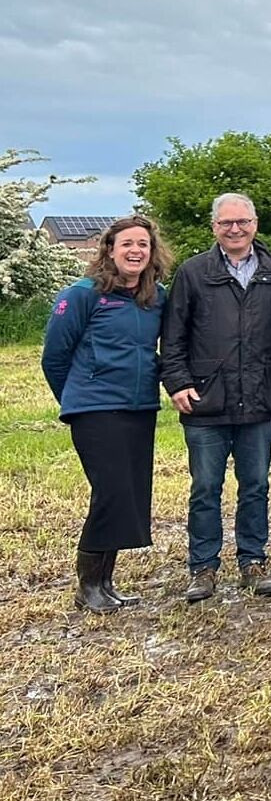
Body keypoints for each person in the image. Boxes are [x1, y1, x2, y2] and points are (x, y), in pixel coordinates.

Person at [161, 192, 271, 602]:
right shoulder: (193, 272)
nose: (235, 229)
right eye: (226, 223)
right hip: (206, 399)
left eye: (242, 222)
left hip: (258, 396)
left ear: (255, 224)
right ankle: (203, 568)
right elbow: (173, 336)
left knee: (255, 485)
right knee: (205, 487)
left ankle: (253, 561)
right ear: (214, 227)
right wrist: (177, 382)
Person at [42, 214, 171, 612]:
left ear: (152, 252)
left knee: (126, 495)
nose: (135, 250)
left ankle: (106, 583)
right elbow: (54, 357)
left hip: (140, 407)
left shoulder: (156, 296)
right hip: (95, 409)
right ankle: (88, 587)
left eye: (143, 244)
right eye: (127, 244)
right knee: (110, 492)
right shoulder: (81, 294)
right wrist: (78, 399)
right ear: (110, 251)